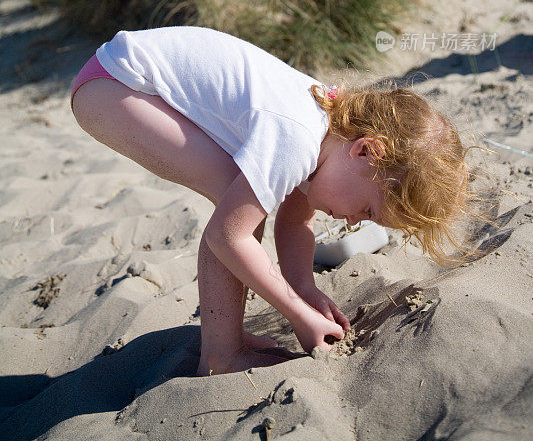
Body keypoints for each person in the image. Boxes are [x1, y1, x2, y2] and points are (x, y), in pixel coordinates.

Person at [70, 25, 481, 376]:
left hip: (116, 77)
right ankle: (221, 354)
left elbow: (295, 221)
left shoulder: (327, 137)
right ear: (365, 151)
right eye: (368, 210)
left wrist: (304, 287)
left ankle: (222, 337)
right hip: (116, 85)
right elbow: (227, 237)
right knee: (236, 204)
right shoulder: (297, 137)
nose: (355, 222)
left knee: (243, 201)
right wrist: (297, 316)